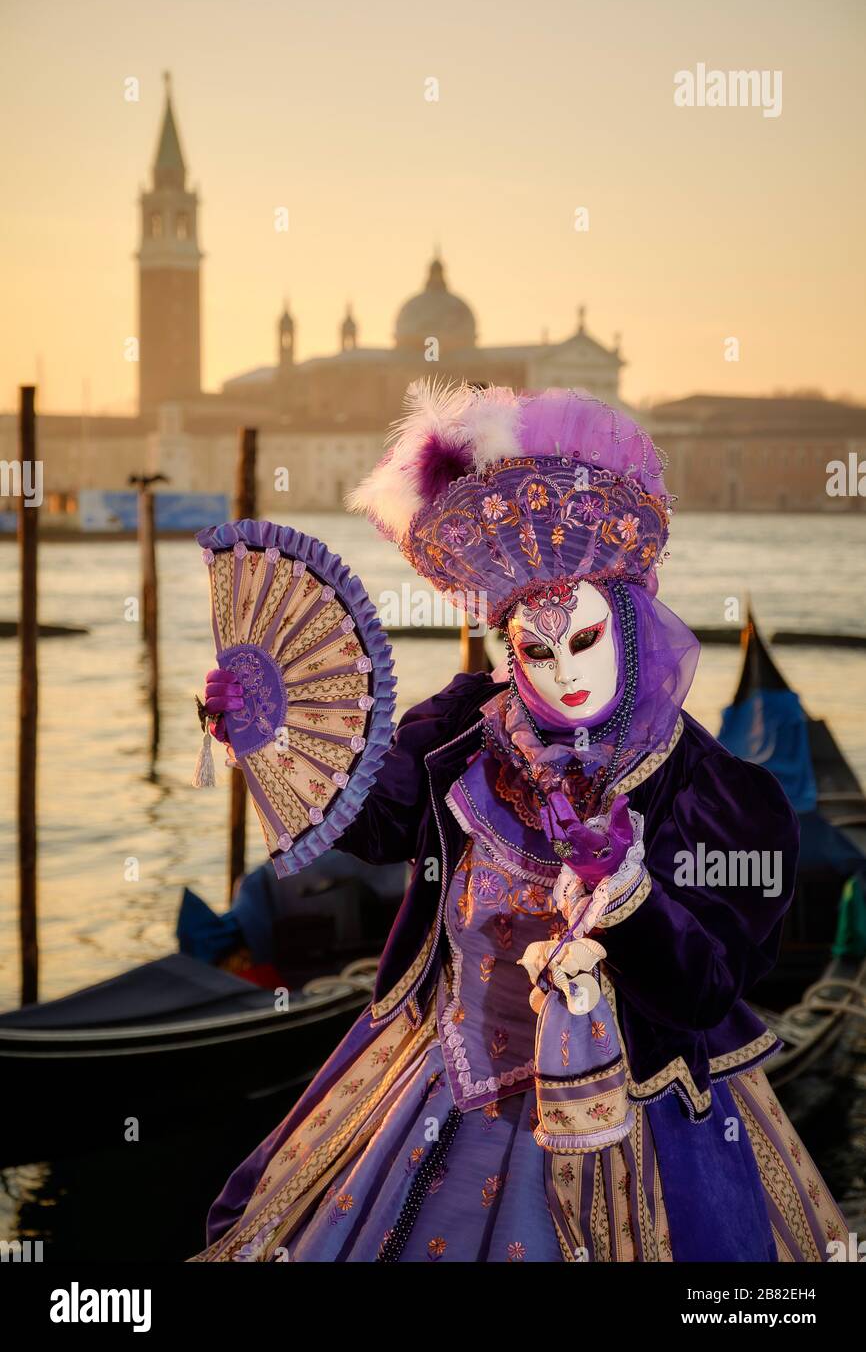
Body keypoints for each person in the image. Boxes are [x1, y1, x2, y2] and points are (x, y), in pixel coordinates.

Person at [190, 382, 851, 1262]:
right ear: (508, 647)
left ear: (628, 623)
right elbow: (374, 817)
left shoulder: (710, 790)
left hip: (634, 1111)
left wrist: (631, 897)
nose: (564, 672)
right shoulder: (465, 731)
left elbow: (706, 990)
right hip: (446, 1083)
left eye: (582, 642)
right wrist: (273, 732)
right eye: (536, 650)